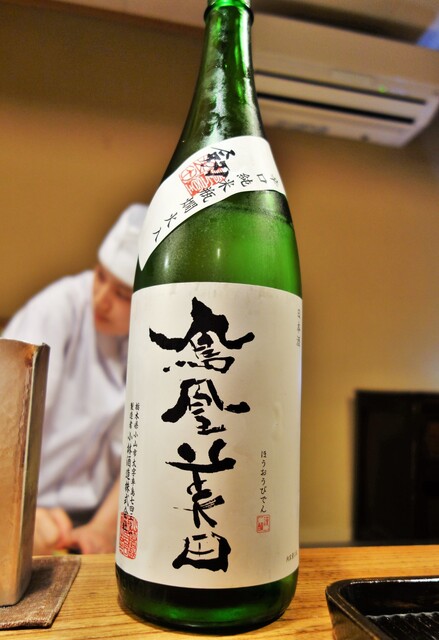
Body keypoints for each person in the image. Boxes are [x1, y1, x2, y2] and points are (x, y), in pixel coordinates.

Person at [2, 203, 148, 555]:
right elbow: (6, 418)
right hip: (17, 503)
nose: (101, 299)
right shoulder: (59, 307)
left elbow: (142, 445)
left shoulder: (158, 334)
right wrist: (12, 513)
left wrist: (100, 530)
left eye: (121, 294)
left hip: (85, 518)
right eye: (100, 277)